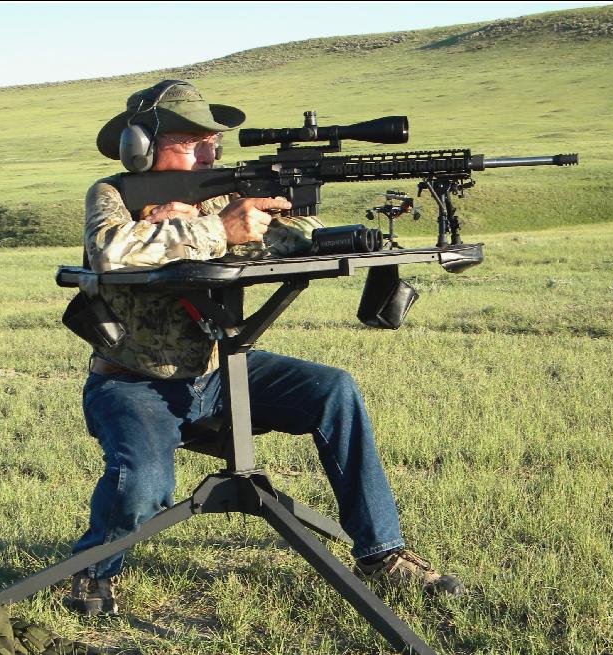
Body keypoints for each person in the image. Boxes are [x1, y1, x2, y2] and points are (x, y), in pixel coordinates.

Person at [68, 80, 463, 616]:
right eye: (190, 142)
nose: (210, 151)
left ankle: (382, 554)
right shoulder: (113, 194)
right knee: (143, 484)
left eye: (213, 141)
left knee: (333, 391)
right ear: (140, 147)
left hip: (221, 369)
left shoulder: (222, 194)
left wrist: (277, 223)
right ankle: (93, 569)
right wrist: (213, 229)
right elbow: (110, 251)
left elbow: (298, 229)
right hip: (133, 381)